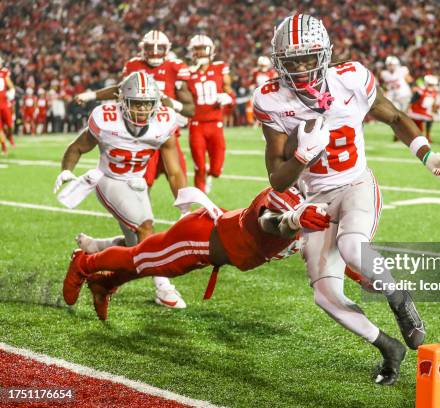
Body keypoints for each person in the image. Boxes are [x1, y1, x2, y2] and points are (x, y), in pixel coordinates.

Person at [254, 14, 440, 385]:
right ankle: (387, 347)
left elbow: (395, 117)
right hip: (315, 200)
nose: (300, 69)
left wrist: (428, 155)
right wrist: (303, 158)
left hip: (355, 185)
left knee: (352, 248)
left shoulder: (351, 78)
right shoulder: (271, 99)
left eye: (307, 58)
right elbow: (277, 179)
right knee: (325, 294)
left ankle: (399, 298)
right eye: (291, 61)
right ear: (277, 61)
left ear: (325, 55)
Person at [63, 186, 331, 321]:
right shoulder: (292, 198)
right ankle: (85, 262)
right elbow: (268, 220)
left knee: (149, 263)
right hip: (199, 239)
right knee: (139, 259)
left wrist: (363, 274)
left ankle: (104, 283)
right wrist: (295, 219)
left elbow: (335, 255)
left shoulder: (322, 213)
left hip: (210, 245)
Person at [55, 72, 188, 309]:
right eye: (136, 103)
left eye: (147, 104)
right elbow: (76, 147)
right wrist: (66, 171)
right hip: (109, 179)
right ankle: (163, 287)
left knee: (135, 249)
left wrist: (184, 203)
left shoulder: (164, 121)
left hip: (137, 182)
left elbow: (174, 170)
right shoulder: (106, 119)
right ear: (122, 102)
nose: (142, 110)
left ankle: (94, 249)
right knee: (146, 229)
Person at [75, 30, 195, 188]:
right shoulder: (133, 65)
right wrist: (91, 95)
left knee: (178, 177)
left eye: (159, 48)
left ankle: (185, 212)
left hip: (166, 133)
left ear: (167, 49)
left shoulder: (176, 67)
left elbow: (190, 109)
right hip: (141, 134)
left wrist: (173, 104)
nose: (154, 52)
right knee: (141, 183)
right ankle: (139, 213)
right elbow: (120, 90)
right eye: (151, 47)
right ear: (142, 48)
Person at [185, 34, 233, 194]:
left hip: (215, 124)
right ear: (191, 52)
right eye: (197, 50)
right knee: (199, 165)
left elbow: (228, 90)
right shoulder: (186, 73)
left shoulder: (219, 68)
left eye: (203, 49)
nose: (200, 53)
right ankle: (200, 197)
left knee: (216, 169)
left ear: (211, 50)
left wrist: (228, 98)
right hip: (196, 124)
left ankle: (211, 175)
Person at [408, 75, 439, 142]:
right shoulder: (421, 91)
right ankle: (427, 136)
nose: (432, 86)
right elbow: (412, 101)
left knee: (419, 132)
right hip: (416, 111)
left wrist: (435, 110)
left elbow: (433, 104)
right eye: (431, 85)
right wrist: (407, 110)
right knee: (414, 129)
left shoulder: (434, 92)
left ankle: (427, 136)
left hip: (423, 112)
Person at [0, 55, 16, 151]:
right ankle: (3, 145)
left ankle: (10, 137)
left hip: (4, 103)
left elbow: (11, 86)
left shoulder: (4, 72)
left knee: (10, 125)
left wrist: (11, 94)